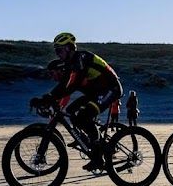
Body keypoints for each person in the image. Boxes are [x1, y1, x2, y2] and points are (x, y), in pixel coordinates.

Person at [33, 32, 122, 171]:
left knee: (84, 116)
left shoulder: (82, 57)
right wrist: (47, 97)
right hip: (95, 92)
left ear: (69, 48)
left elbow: (73, 85)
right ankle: (88, 141)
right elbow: (63, 85)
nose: (57, 54)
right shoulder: (70, 64)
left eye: (59, 50)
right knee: (71, 112)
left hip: (111, 88)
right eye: (56, 51)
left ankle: (99, 156)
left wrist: (50, 98)